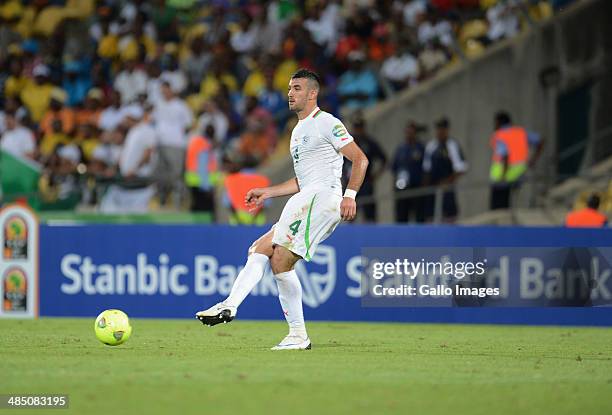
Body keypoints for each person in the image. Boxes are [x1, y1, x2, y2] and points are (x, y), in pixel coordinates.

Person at [196, 69, 369, 350]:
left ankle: (297, 335)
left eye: (298, 88)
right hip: (307, 196)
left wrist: (350, 195)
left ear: (313, 94)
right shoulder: (298, 131)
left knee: (280, 259)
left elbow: (360, 159)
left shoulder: (326, 122)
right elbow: (303, 180)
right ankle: (230, 306)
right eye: (290, 88)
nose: (290, 93)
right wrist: (268, 191)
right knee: (260, 249)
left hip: (323, 198)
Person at [490, 111, 542, 210]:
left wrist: (503, 176)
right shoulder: (521, 133)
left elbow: (504, 155)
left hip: (503, 177)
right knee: (512, 206)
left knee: (498, 209)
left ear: (499, 122)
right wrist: (533, 159)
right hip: (519, 174)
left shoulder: (500, 135)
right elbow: (541, 141)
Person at [342, 113, 387, 222]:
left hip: (365, 182)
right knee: (349, 214)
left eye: (360, 127)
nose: (358, 130)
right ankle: (350, 236)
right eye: (356, 127)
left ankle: (370, 236)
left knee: (369, 214)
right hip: (350, 182)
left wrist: (375, 176)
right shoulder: (347, 142)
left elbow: (384, 159)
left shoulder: (370, 143)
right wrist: (342, 176)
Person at [423, 117, 468, 222]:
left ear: (447, 130)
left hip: (447, 189)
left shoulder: (452, 145)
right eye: (438, 129)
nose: (440, 132)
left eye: (442, 129)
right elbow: (426, 169)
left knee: (449, 216)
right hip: (432, 189)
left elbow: (461, 168)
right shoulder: (431, 146)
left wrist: (447, 181)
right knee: (430, 216)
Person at [392, 121, 426, 223]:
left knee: (419, 218)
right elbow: (394, 168)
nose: (409, 134)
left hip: (416, 188)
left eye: (411, 132)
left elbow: (426, 169)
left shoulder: (421, 148)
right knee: (401, 218)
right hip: (402, 189)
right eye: (407, 132)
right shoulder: (400, 149)